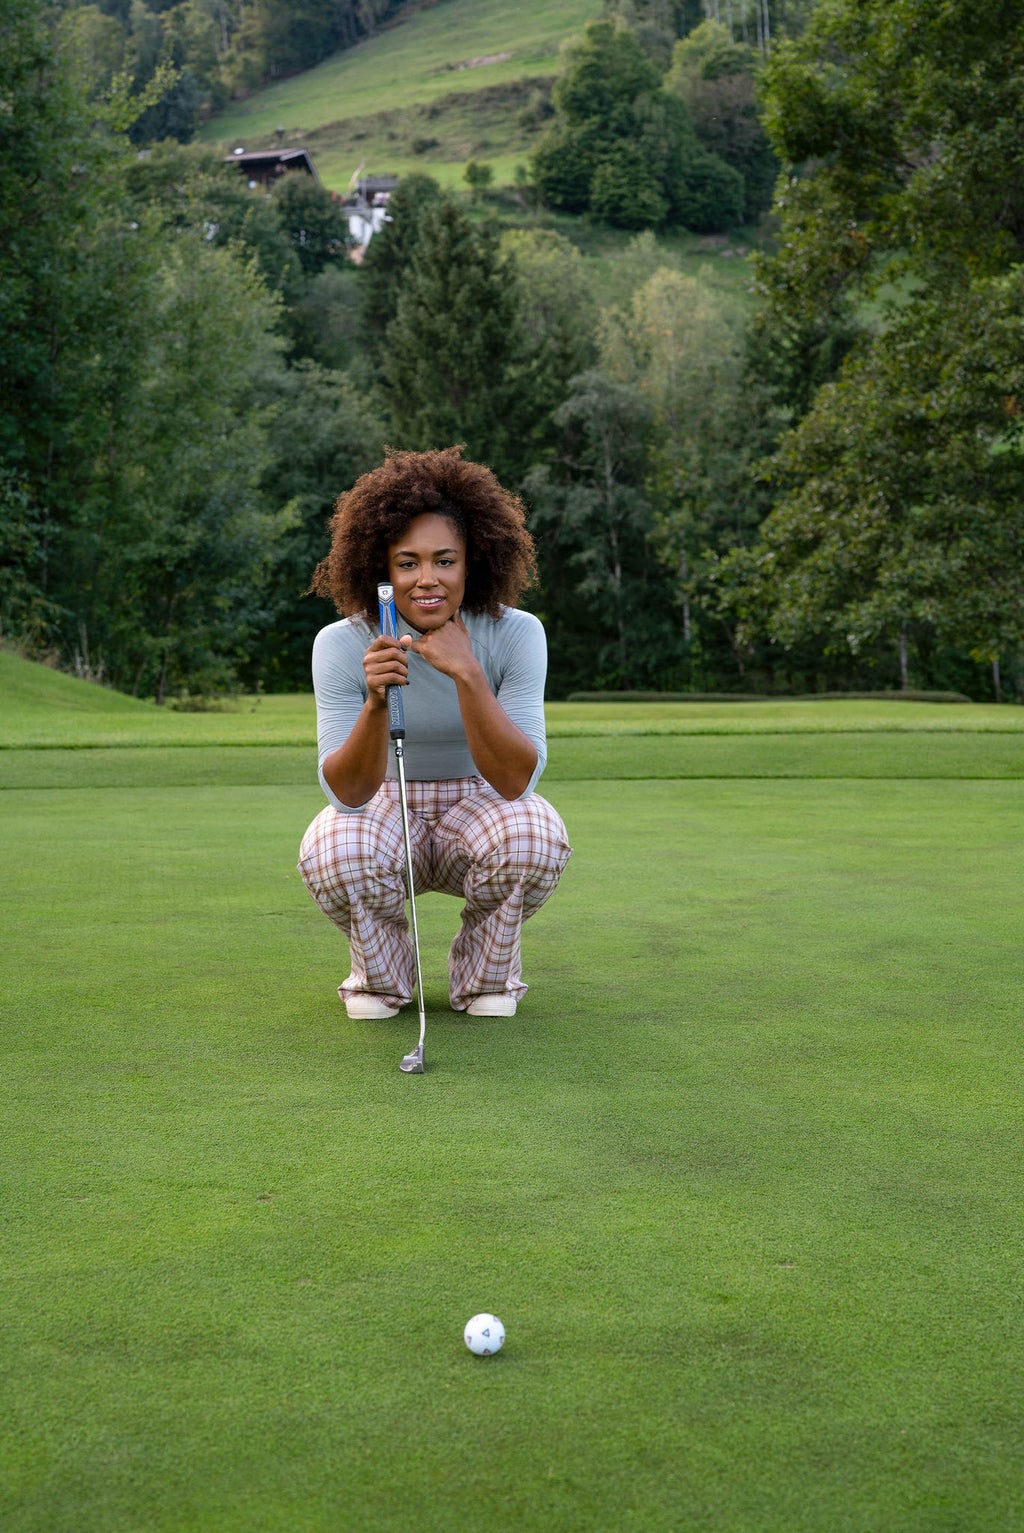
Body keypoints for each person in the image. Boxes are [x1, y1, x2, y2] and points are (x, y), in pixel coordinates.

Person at [298, 445, 571, 1021]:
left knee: (534, 834)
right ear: (381, 568)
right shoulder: (341, 643)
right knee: (337, 845)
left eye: (445, 561)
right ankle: (381, 980)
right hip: (383, 806)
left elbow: (518, 780)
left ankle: (486, 980)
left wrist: (468, 672)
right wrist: (376, 702)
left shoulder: (516, 633)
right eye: (407, 562)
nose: (428, 579)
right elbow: (346, 795)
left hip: (481, 800)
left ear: (473, 563)